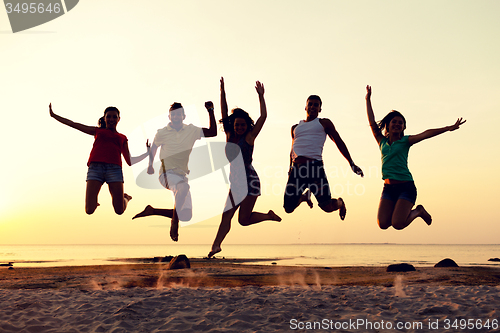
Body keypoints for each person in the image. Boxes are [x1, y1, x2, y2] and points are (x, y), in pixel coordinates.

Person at [365, 85, 466, 230]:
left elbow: (426, 134)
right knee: (383, 224)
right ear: (387, 125)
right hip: (388, 188)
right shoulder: (382, 141)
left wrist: (448, 128)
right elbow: (372, 122)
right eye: (394, 121)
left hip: (406, 187)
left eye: (401, 122)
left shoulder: (405, 141)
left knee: (398, 224)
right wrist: (368, 99)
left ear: (404, 127)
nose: (397, 124)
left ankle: (418, 211)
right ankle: (414, 211)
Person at [207, 78, 281, 258]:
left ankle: (268, 216)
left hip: (250, 181)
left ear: (247, 125)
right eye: (237, 124)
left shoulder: (249, 137)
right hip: (236, 182)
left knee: (242, 219)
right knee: (232, 217)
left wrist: (261, 97)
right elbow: (224, 112)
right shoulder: (229, 134)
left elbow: (263, 117)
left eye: (242, 124)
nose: (240, 127)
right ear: (233, 125)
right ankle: (215, 246)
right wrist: (222, 91)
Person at [133, 101, 217, 242]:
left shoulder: (191, 130)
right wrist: (150, 165)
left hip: (181, 175)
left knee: (186, 215)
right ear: (169, 116)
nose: (176, 116)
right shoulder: (162, 133)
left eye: (179, 114)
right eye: (173, 114)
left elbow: (213, 132)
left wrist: (210, 111)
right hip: (166, 174)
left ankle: (152, 210)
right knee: (183, 188)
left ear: (184, 116)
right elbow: (154, 148)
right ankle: (174, 224)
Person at [49, 104, 149, 215]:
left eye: (114, 117)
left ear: (119, 119)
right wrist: (54, 115)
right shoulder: (98, 131)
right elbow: (73, 124)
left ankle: (125, 198)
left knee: (119, 211)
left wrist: (147, 154)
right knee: (89, 210)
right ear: (104, 118)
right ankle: (94, 202)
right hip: (95, 169)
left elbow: (130, 162)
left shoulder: (122, 138)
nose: (111, 119)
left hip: (114, 170)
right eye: (109, 116)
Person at [283, 95, 363, 219]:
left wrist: (351, 163)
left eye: (316, 105)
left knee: (327, 206)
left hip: (315, 169)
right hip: (297, 170)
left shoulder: (324, 123)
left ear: (320, 109)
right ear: (305, 107)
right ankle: (304, 197)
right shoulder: (295, 128)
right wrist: (290, 169)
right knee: (288, 207)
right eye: (310, 104)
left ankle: (340, 203)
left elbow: (339, 142)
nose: (313, 107)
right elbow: (292, 149)